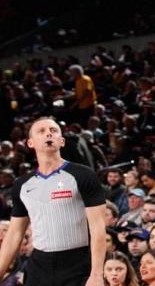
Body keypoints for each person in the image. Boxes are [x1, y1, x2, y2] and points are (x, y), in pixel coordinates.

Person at [0, 117, 106, 286]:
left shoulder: (83, 175)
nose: (48, 133)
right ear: (30, 143)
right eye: (41, 131)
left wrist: (97, 275)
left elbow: (98, 229)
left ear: (62, 141)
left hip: (78, 264)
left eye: (54, 130)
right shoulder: (22, 185)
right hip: (39, 266)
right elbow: (14, 234)